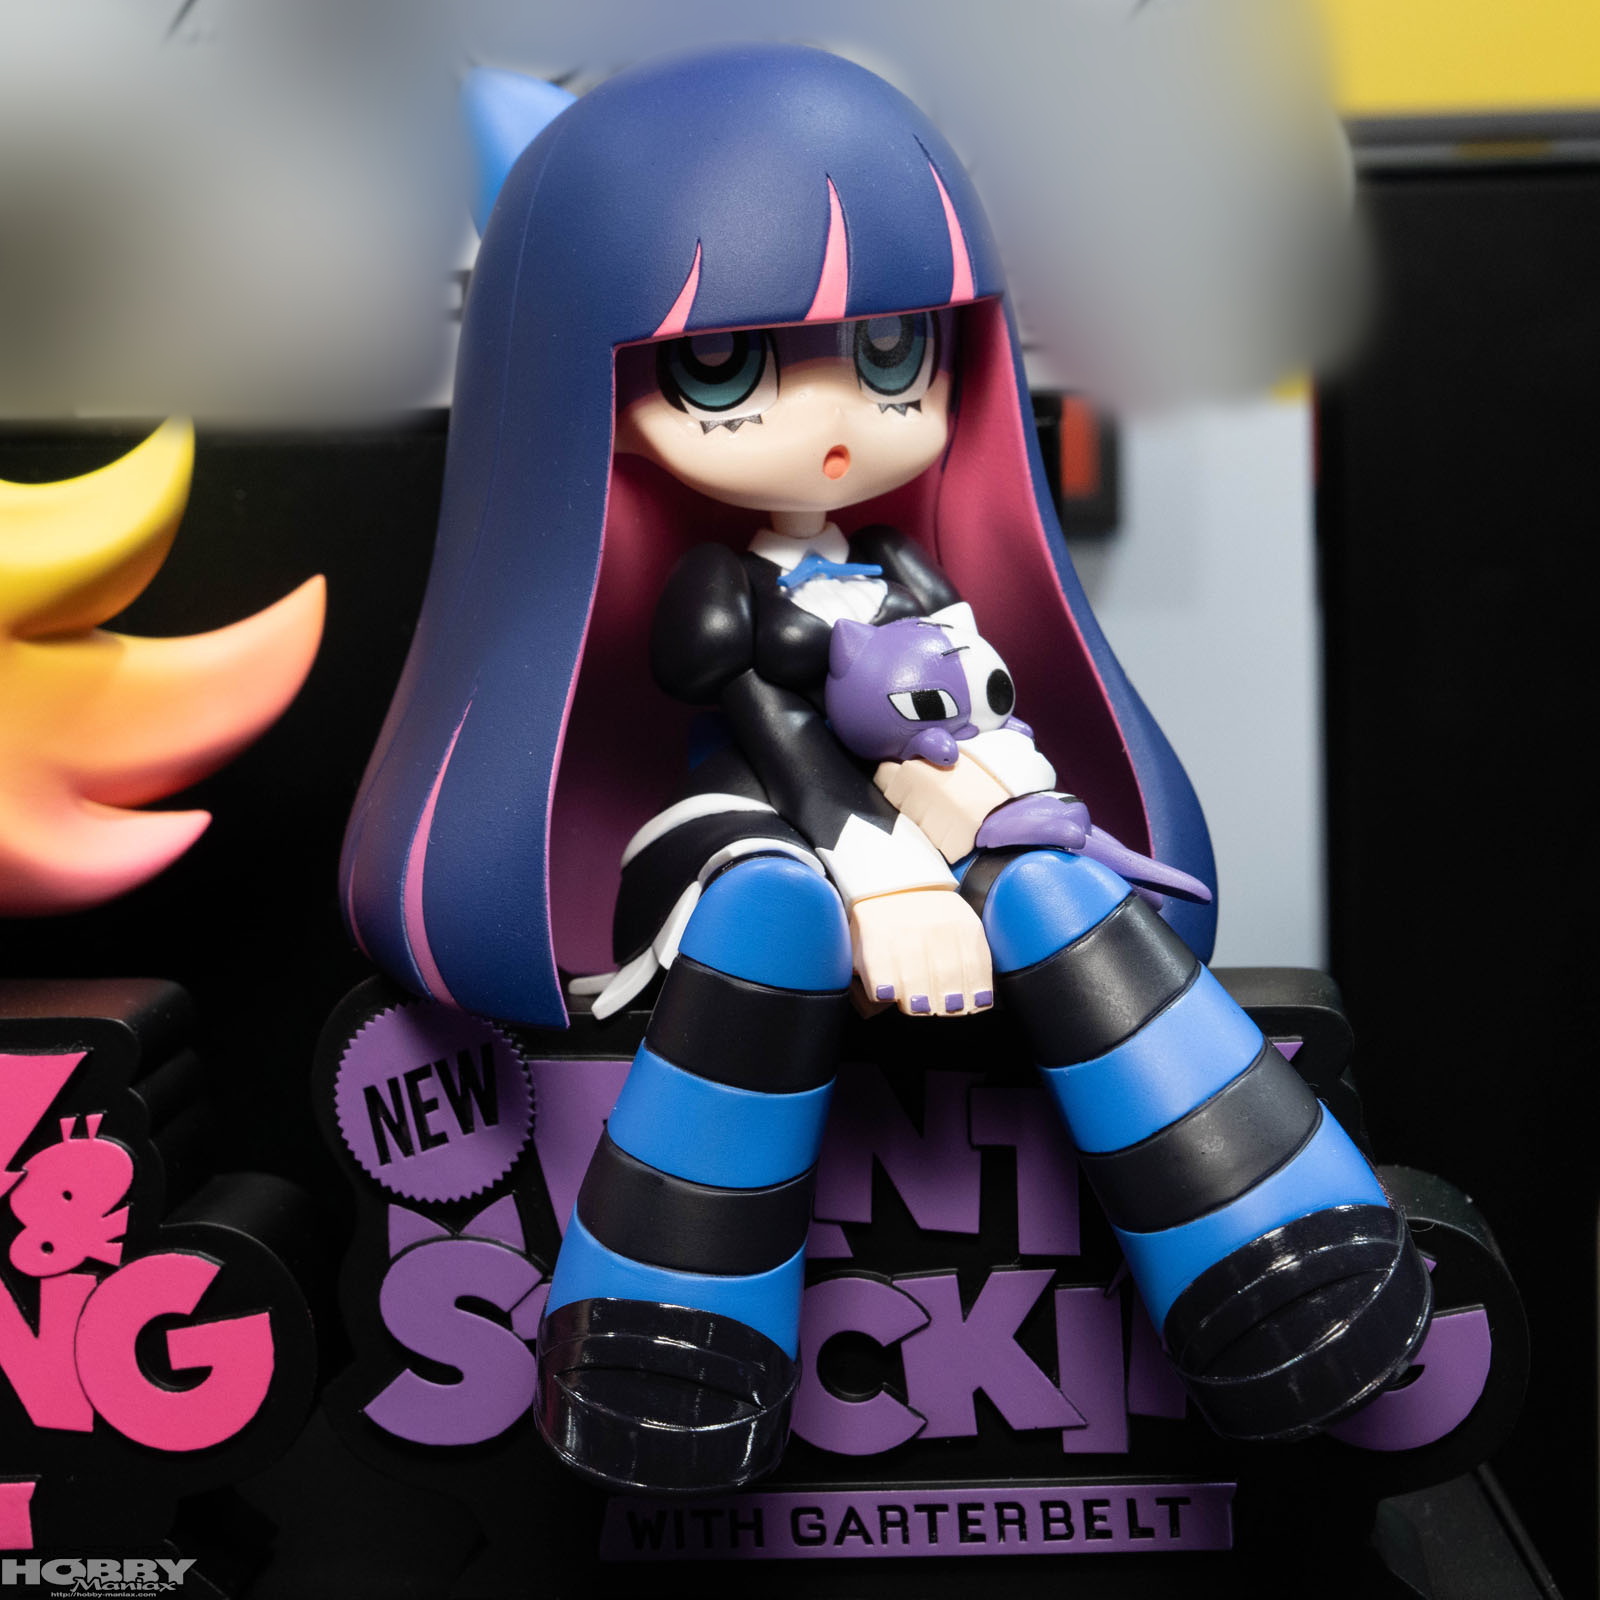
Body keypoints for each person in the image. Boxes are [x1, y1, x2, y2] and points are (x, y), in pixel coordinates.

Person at [342, 44, 1429, 1493]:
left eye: (894, 350)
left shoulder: (903, 563)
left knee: (1054, 889)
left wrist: (1002, 806)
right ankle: (668, 1335)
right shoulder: (720, 594)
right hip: (746, 829)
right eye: (725, 364)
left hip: (915, 820)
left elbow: (961, 697)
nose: (838, 419)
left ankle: (1277, 1251)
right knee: (767, 910)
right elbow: (775, 733)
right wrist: (874, 872)